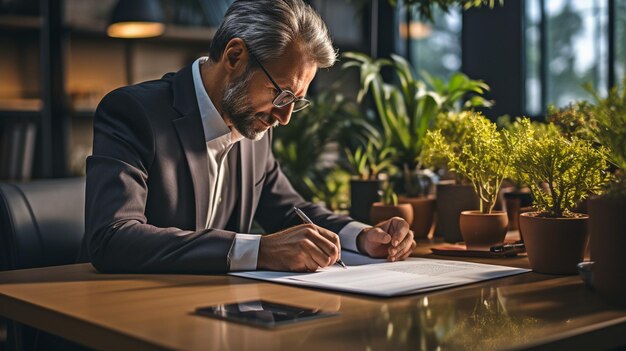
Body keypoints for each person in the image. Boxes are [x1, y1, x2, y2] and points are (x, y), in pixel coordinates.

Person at [81, 0, 415, 274]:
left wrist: (364, 237)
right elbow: (112, 238)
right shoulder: (133, 112)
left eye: (295, 102)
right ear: (234, 57)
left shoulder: (254, 125)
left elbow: (291, 210)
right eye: (281, 95)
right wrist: (259, 250)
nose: (284, 118)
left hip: (213, 315)